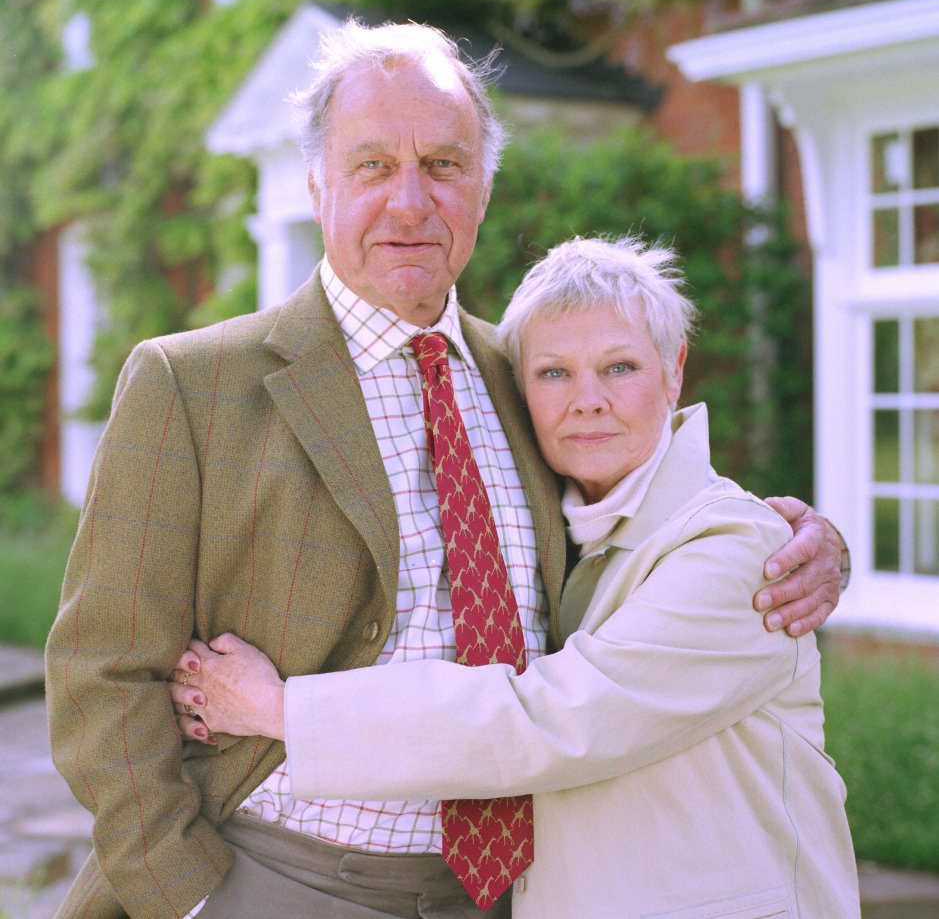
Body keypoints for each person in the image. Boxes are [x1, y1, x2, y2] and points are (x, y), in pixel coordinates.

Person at [45, 19, 846, 919]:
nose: (410, 201)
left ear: (483, 188)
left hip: (504, 895)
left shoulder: (527, 377)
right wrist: (187, 898)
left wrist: (802, 536)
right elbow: (101, 671)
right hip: (278, 878)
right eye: (374, 165)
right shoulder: (194, 384)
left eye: (443, 165)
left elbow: (641, 511)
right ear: (318, 184)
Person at [172, 235, 860, 918]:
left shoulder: (742, 550)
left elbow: (551, 717)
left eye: (619, 367)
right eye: (553, 373)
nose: (586, 399)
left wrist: (282, 709)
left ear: (674, 370)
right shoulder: (553, 530)